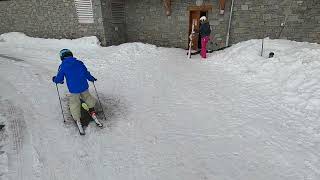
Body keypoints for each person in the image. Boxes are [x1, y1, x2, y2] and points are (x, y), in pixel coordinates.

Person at [52, 49, 101, 135]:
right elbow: (86, 73)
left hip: (74, 89)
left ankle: (77, 119)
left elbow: (59, 79)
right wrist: (91, 78)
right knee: (87, 97)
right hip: (84, 86)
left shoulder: (62, 66)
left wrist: (55, 80)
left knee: (74, 103)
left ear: (61, 57)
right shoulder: (79, 63)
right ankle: (92, 110)